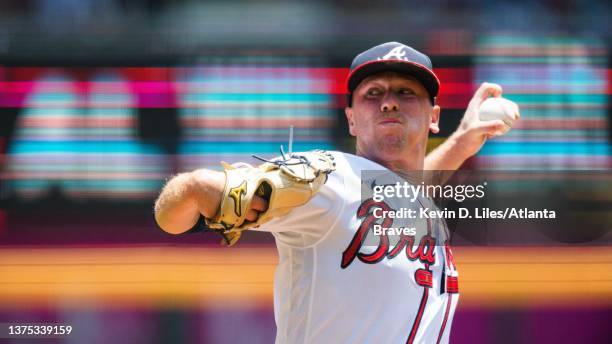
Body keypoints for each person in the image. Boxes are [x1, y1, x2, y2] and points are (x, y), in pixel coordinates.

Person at [154, 41, 516, 343]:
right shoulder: (329, 178)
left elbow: (400, 192)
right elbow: (181, 205)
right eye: (373, 94)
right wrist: (201, 189)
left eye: (406, 92)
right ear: (351, 120)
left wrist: (464, 143)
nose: (389, 102)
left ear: (434, 116)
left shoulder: (404, 199)